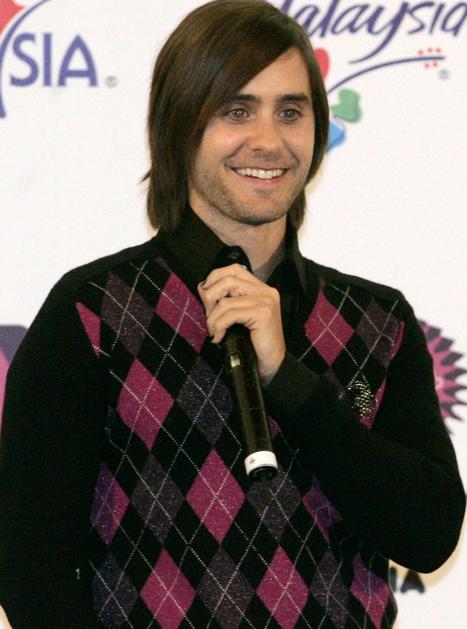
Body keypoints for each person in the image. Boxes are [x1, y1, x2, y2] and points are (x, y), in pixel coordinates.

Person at [0, 0, 465, 627]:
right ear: (179, 126)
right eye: (236, 110)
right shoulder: (95, 312)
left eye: (291, 112)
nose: (268, 140)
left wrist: (290, 383)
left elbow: (429, 535)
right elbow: (32, 566)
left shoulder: (377, 322)